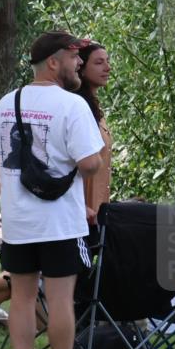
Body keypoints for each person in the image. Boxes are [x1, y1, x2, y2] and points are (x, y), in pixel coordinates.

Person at [0, 31, 104, 349]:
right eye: (73, 57)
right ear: (54, 62)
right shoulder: (73, 105)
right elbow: (89, 164)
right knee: (59, 299)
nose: (79, 63)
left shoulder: (6, 103)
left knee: (21, 296)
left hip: (18, 222)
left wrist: (8, 204)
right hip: (59, 223)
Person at [74, 42, 112, 229]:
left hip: (96, 210)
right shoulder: (77, 108)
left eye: (107, 61)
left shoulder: (95, 107)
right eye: (98, 62)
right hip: (81, 213)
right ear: (81, 68)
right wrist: (80, 207)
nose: (107, 67)